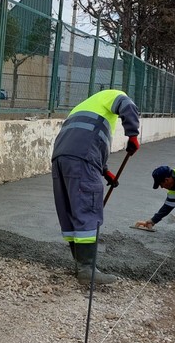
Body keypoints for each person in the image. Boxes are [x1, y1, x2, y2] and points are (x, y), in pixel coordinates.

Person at [51, 89, 141, 285]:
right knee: (86, 207)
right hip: (82, 157)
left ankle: (80, 265)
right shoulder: (114, 95)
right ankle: (87, 269)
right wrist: (132, 134)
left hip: (60, 158)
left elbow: (84, 140)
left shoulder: (84, 107)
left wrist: (105, 171)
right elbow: (127, 105)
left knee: (70, 209)